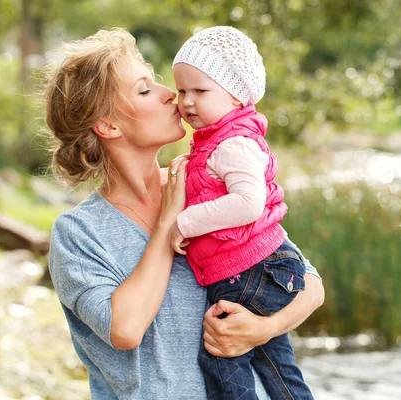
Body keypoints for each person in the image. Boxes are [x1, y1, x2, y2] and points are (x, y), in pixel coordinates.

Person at [44, 27, 324, 399]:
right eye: (145, 89)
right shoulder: (79, 233)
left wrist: (264, 329)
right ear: (108, 125)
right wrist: (169, 223)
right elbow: (125, 329)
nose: (170, 95)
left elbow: (309, 282)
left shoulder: (206, 182)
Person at [170, 26, 314, 399]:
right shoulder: (214, 142)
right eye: (182, 90)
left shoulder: (233, 143)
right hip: (251, 267)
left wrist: (183, 222)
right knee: (278, 367)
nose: (186, 101)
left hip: (251, 270)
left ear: (236, 96)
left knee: (221, 356)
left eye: (200, 90)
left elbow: (248, 203)